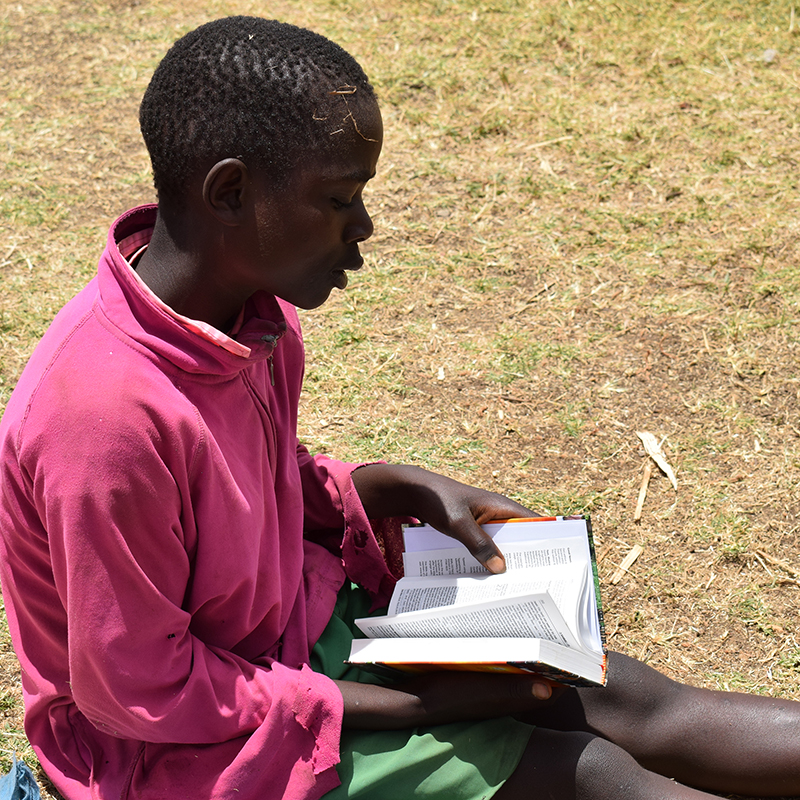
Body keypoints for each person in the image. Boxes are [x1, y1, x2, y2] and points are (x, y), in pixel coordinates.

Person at [0, 16, 798, 800]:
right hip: (186, 749)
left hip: (293, 636)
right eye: (341, 197)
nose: (365, 227)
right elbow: (138, 690)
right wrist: (416, 707)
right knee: (589, 773)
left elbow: (235, 494)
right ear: (231, 191)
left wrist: (378, 486)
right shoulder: (102, 421)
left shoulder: (247, 316)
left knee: (617, 698)